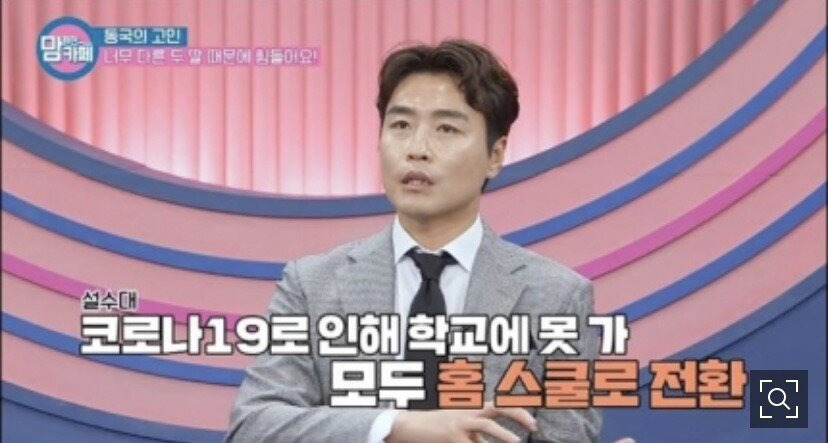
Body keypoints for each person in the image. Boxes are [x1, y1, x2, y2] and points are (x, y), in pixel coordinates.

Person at [226, 39, 600, 443]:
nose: (417, 150)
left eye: (446, 129)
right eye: (401, 125)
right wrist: (394, 427)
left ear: (495, 155)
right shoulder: (312, 284)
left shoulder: (557, 297)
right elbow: (254, 426)